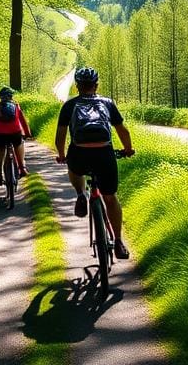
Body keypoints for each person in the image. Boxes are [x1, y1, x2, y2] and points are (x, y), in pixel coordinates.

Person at [55, 66, 135, 260]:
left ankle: (81, 194)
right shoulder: (107, 103)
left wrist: (62, 154)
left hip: (79, 153)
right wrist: (128, 149)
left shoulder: (69, 105)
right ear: (96, 85)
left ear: (77, 86)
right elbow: (122, 131)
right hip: (104, 154)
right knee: (111, 197)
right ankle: (118, 242)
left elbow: (60, 136)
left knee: (74, 168)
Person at [0, 87, 31, 185]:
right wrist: (27, 133)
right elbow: (23, 121)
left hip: (0, 135)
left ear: (0, 97)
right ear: (11, 96)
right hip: (15, 133)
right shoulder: (16, 106)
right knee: (19, 144)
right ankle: (22, 169)